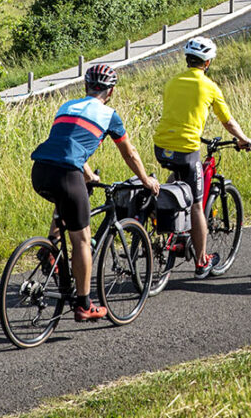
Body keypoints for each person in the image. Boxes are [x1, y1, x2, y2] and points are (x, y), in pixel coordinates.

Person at [29, 63, 160, 322]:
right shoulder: (109, 115)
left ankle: (51, 247)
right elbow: (130, 153)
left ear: (86, 86)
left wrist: (89, 176)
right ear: (110, 92)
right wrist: (146, 180)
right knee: (82, 239)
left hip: (40, 171)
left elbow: (67, 144)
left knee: (64, 200)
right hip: (67, 174)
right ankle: (84, 305)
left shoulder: (67, 107)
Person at [153, 36, 251, 279]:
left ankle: (167, 223)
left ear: (187, 60)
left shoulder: (172, 82)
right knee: (197, 205)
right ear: (207, 63)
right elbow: (227, 121)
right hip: (187, 149)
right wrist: (243, 139)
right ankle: (201, 262)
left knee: (177, 181)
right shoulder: (209, 87)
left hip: (161, 146)